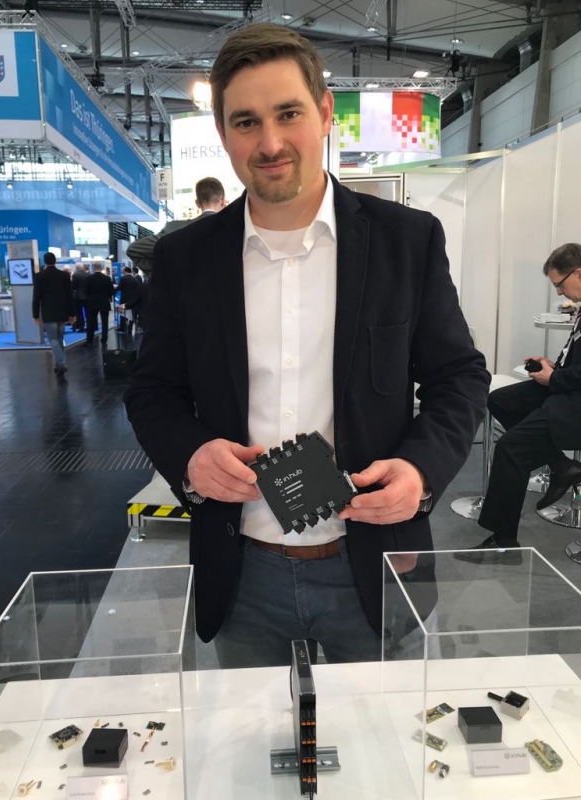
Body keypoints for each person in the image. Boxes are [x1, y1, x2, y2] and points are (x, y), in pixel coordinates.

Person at [124, 23, 489, 667]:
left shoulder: (407, 241)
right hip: (242, 569)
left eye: (288, 113)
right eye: (246, 122)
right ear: (223, 135)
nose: (269, 143)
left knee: (384, 730)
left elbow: (458, 376)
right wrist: (190, 456)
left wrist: (420, 471)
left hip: (375, 559)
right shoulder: (186, 259)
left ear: (323, 113)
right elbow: (153, 389)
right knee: (249, 732)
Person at [455, 242, 581, 565]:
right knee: (500, 400)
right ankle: (561, 465)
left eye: (560, 284)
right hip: (567, 389)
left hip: (574, 403)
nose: (560, 293)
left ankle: (504, 543)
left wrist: (554, 379)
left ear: (578, 273)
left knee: (512, 448)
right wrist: (552, 366)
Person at [126, 177, 226, 277]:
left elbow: (134, 250)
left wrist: (166, 273)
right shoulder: (232, 229)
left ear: (197, 203)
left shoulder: (174, 229)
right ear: (222, 200)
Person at [32, 252, 75, 378]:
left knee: (53, 339)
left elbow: (36, 297)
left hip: (48, 313)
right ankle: (58, 364)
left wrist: (35, 314)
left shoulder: (39, 276)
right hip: (62, 312)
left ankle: (62, 363)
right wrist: (72, 313)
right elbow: (69, 296)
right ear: (55, 261)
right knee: (60, 338)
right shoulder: (64, 275)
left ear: (44, 262)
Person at [85, 262, 114, 349]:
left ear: (93, 268)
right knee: (105, 323)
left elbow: (86, 291)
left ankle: (89, 341)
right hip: (104, 302)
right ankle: (104, 341)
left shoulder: (89, 278)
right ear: (101, 268)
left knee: (90, 323)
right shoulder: (107, 278)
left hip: (92, 303)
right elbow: (111, 291)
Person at [116, 266, 141, 334]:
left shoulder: (123, 278)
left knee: (123, 314)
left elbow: (119, 287)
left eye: (122, 270)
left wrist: (113, 290)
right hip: (132, 300)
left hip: (124, 300)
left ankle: (123, 328)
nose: (122, 271)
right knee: (132, 315)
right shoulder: (135, 279)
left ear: (125, 271)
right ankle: (130, 328)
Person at [71, 262, 89, 332]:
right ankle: (89, 326)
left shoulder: (75, 275)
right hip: (87, 296)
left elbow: (73, 286)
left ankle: (81, 327)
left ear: (76, 268)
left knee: (79, 313)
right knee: (87, 313)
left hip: (78, 296)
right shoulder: (87, 274)